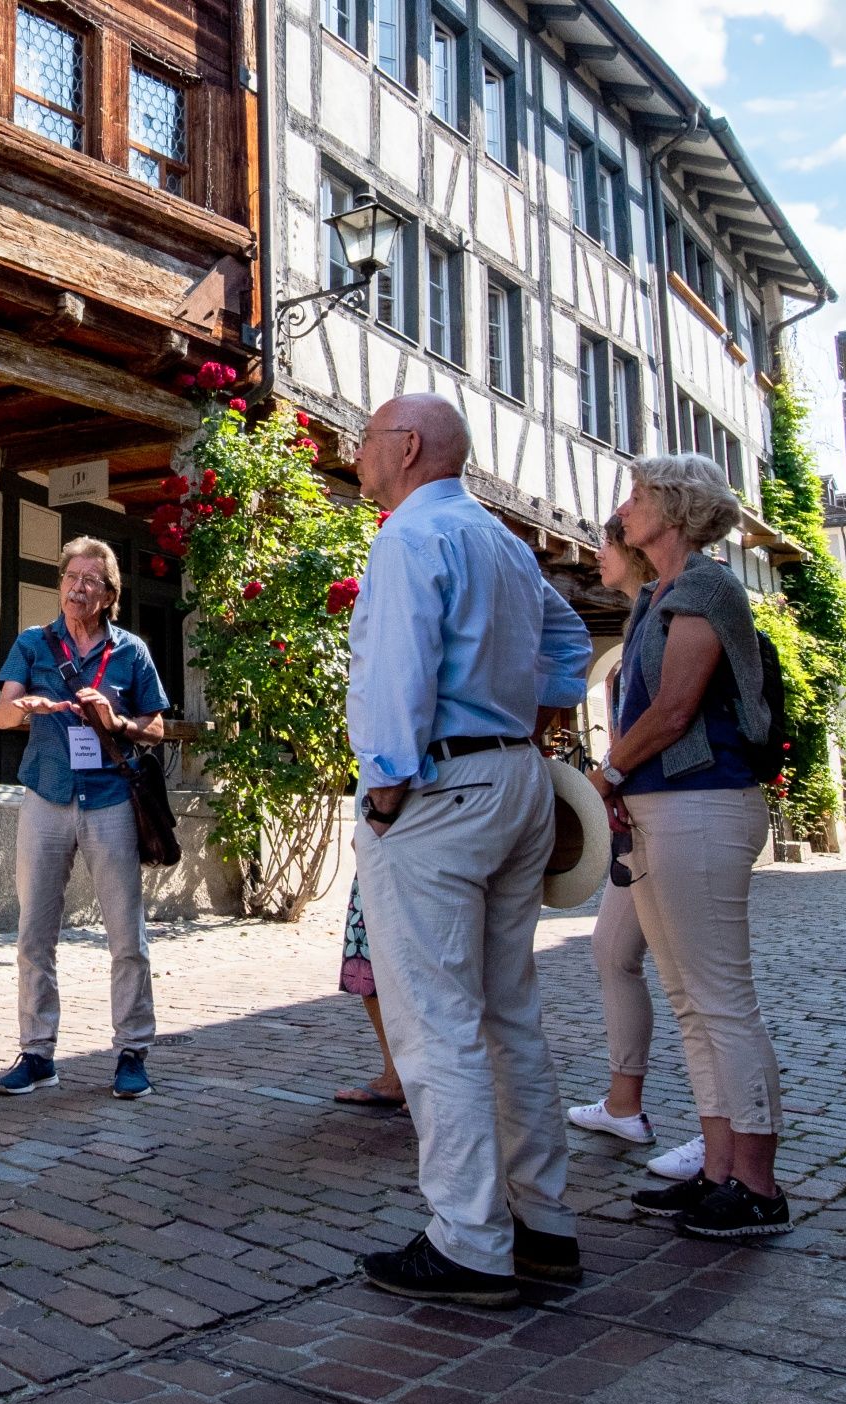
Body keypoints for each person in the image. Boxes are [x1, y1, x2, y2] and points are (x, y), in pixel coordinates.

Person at [346, 393, 592, 1308]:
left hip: (441, 790)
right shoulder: (500, 541)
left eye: (369, 437)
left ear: (406, 448)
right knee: (507, 1015)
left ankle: (468, 1242)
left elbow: (397, 668)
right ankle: (545, 1226)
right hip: (516, 780)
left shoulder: (409, 538)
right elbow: (567, 638)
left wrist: (387, 784)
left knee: (434, 1021)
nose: (357, 450)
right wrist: (533, 714)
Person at [589, 454, 788, 1238]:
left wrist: (607, 774)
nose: (625, 508)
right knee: (690, 1002)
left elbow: (674, 712)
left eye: (638, 495)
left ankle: (759, 1186)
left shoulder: (705, 587)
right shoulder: (660, 596)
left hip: (704, 806)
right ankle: (717, 1171)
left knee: (722, 1002)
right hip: (664, 809)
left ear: (673, 508)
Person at [0, 537, 170, 1101]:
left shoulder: (132, 651)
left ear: (110, 593)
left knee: (126, 933)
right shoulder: (33, 643)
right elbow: (0, 717)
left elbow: (157, 726)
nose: (78, 586)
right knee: (34, 935)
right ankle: (38, 1053)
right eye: (71, 576)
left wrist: (117, 721)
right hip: (47, 795)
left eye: (91, 579)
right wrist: (25, 707)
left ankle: (132, 1050)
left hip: (111, 799)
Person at [565, 520, 703, 1181]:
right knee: (613, 951)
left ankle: (721, 1137)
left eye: (604, 544)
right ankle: (625, 1105)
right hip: (640, 816)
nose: (595, 555)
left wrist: (610, 775)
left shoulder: (680, 606)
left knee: (698, 983)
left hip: (678, 811)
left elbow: (674, 715)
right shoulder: (639, 621)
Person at [333, 877, 404, 1111]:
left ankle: (435, 1086)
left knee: (434, 973)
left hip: (424, 861)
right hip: (374, 863)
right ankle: (395, 1077)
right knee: (368, 970)